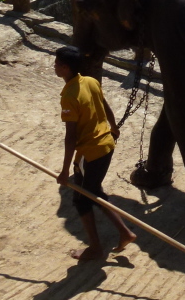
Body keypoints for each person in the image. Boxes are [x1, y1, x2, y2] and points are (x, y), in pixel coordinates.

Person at [54, 46, 136, 260]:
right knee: (94, 191)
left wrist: (64, 171)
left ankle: (95, 248)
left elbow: (70, 137)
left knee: (81, 200)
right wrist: (114, 126)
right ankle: (125, 233)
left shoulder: (69, 96)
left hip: (90, 153)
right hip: (106, 145)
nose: (54, 66)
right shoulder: (90, 81)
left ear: (65, 67)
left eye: (57, 63)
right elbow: (105, 105)